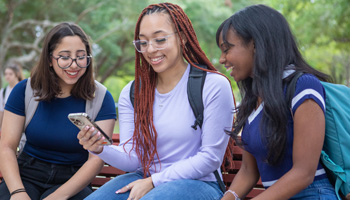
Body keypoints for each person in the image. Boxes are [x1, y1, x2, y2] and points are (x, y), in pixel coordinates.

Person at [78, 2, 235, 200]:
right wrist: (100, 148)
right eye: (143, 42)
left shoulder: (212, 85)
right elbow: (133, 158)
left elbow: (210, 159)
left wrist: (155, 181)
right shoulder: (133, 92)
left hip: (200, 183)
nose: (150, 49)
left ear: (183, 38)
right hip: (145, 177)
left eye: (160, 40)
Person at [216, 4, 338, 200]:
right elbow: (248, 171)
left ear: (255, 44)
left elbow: (304, 173)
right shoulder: (253, 99)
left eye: (227, 49)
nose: (222, 59)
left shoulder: (303, 86)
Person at [0, 22, 117, 200]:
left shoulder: (101, 98)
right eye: (64, 57)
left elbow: (96, 159)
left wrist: (59, 196)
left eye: (81, 57)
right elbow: (7, 147)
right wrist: (17, 192)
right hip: (27, 174)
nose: (74, 65)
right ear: (49, 59)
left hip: (72, 180)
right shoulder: (25, 90)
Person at [0, 64, 26, 154]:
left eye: (10, 74)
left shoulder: (25, 89)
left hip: (23, 130)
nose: (7, 76)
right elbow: (1, 112)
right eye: (6, 74)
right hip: (8, 128)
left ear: (17, 74)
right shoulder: (3, 92)